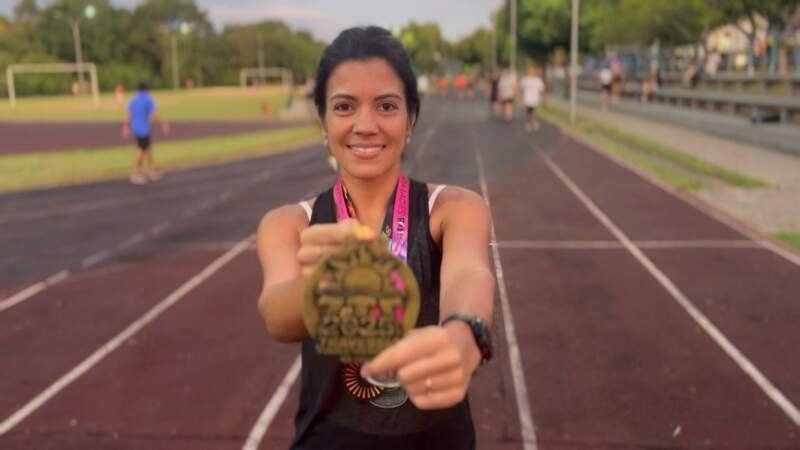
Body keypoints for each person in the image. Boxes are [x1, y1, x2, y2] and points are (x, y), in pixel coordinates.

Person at [256, 26, 495, 450]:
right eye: (345, 106)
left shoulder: (454, 209)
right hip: (329, 437)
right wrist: (321, 282)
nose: (365, 125)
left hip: (437, 438)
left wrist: (465, 332)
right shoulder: (288, 223)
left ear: (411, 119)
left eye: (386, 105)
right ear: (323, 121)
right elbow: (276, 315)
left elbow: (469, 275)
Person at [121, 82, 170, 184]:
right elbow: (153, 114)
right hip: (143, 129)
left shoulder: (133, 99)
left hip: (136, 128)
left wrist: (125, 126)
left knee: (148, 149)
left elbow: (128, 114)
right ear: (147, 90)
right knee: (140, 150)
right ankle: (135, 173)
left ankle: (151, 170)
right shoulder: (148, 99)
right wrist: (163, 124)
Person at [520, 65, 546, 132]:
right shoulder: (525, 79)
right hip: (527, 99)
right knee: (528, 111)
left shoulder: (537, 80)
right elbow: (521, 87)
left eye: (532, 71)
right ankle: (529, 123)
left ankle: (534, 122)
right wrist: (520, 95)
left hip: (535, 98)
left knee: (533, 111)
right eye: (529, 71)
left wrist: (542, 97)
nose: (531, 72)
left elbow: (542, 89)